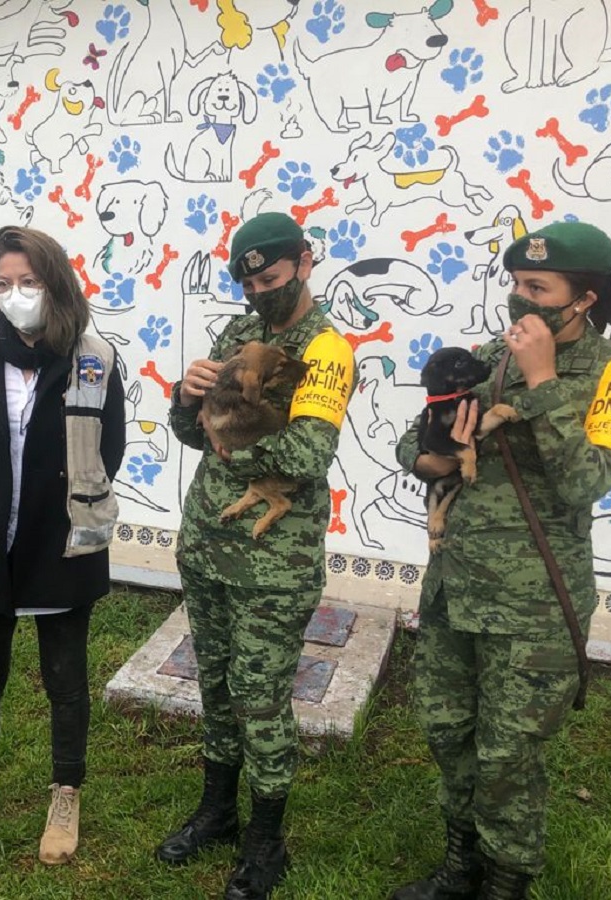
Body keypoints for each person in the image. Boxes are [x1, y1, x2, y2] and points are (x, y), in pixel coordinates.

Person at [391, 221, 611, 900]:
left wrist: (540, 384)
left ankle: (507, 881)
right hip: (457, 589)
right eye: (515, 285)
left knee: (509, 756)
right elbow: (413, 445)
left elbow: (583, 482)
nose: (521, 301)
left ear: (585, 298)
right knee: (449, 732)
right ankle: (463, 865)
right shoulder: (491, 356)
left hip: (536, 606)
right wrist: (435, 450)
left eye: (538, 288)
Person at [160, 212, 354, 900]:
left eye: (271, 279)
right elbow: (193, 431)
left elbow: (305, 454)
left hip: (273, 562)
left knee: (261, 698)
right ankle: (217, 812)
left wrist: (228, 438)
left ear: (304, 261)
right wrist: (188, 397)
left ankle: (265, 842)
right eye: (250, 285)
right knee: (214, 686)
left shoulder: (324, 351)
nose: (261, 295)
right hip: (209, 545)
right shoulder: (239, 333)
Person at [0, 225, 125, 865]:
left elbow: (111, 448)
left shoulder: (94, 358)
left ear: (56, 286)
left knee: (65, 680)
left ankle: (65, 794)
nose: (16, 294)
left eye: (30, 282)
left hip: (61, 540)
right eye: (5, 283)